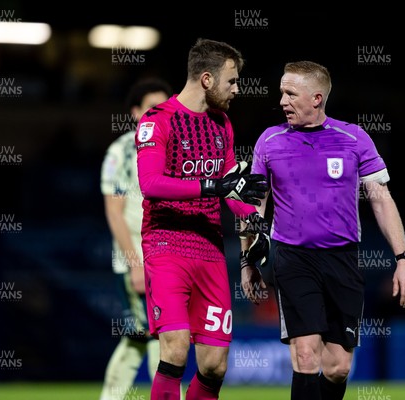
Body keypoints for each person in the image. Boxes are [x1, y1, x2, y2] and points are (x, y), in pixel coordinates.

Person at [242, 61, 405, 400]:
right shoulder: (270, 140)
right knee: (305, 355)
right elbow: (255, 205)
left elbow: (381, 200)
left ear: (317, 98)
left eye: (291, 94)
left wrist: (403, 259)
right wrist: (247, 260)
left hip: (342, 259)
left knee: (337, 367)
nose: (282, 102)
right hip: (292, 258)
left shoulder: (354, 138)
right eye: (281, 93)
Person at [135, 38, 269, 400]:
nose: (238, 89)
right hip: (166, 245)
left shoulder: (221, 124)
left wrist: (256, 224)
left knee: (214, 365)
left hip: (210, 251)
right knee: (176, 349)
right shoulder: (156, 120)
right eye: (232, 81)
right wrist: (213, 185)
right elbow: (151, 184)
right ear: (207, 79)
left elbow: (231, 190)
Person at [100, 78, 174, 400]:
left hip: (170, 259)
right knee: (157, 335)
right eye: (151, 108)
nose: (159, 115)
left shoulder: (178, 148)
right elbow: (115, 213)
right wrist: (135, 265)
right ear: (135, 113)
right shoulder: (122, 151)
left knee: (148, 336)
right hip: (137, 261)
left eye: (164, 108)